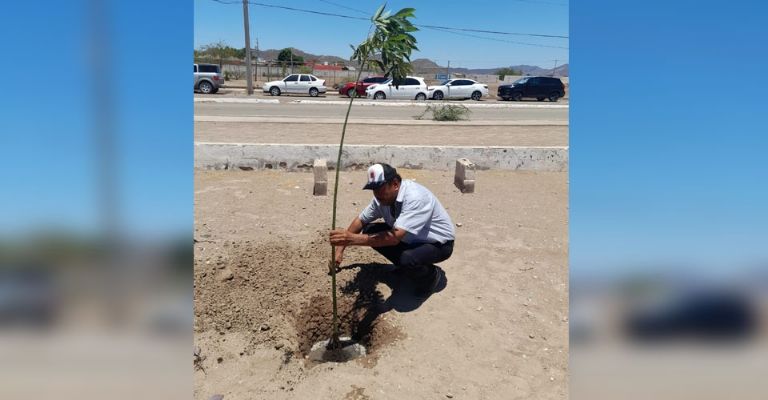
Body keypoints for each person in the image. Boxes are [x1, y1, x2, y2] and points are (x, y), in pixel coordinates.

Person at [329, 163, 455, 297]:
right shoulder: (381, 199)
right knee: (369, 229)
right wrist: (340, 250)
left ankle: (430, 276)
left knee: (408, 259)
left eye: (380, 188)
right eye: (373, 189)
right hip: (408, 238)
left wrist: (351, 239)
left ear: (395, 184)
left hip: (438, 244)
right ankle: (405, 267)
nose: (376, 194)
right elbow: (361, 220)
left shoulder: (415, 197)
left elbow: (394, 238)